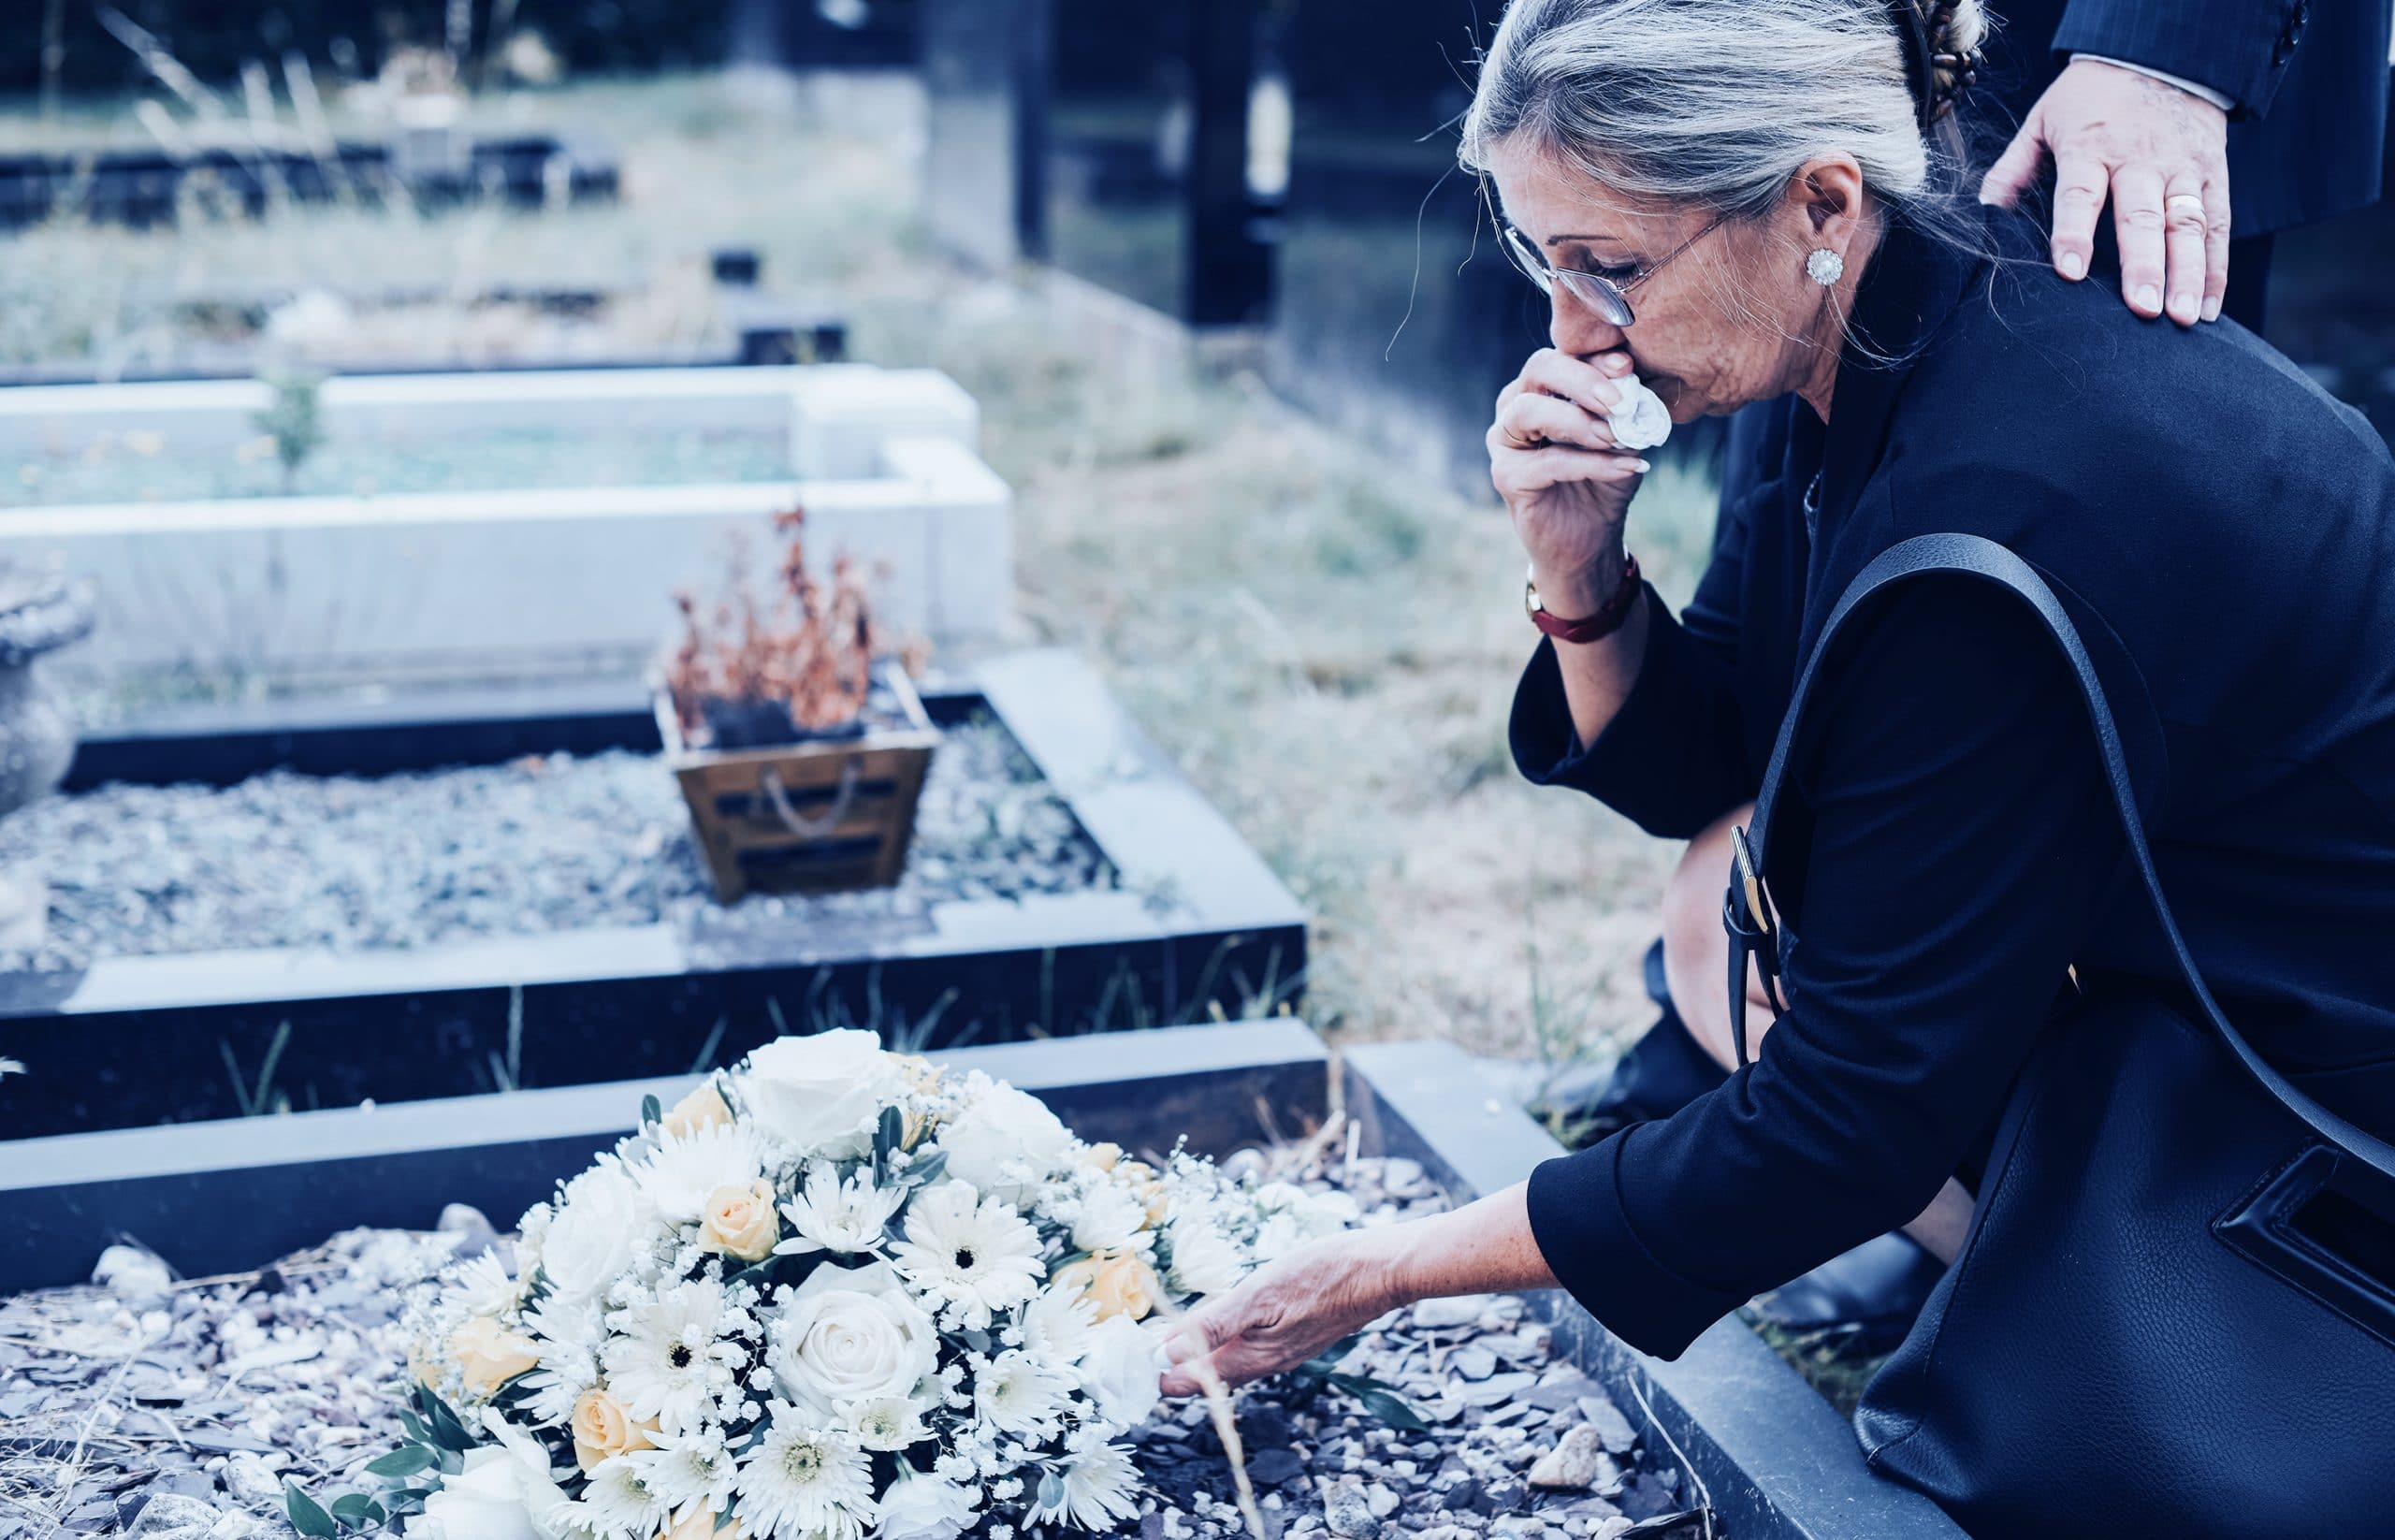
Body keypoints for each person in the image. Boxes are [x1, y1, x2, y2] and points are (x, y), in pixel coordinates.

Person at [1159, 0, 2395, 1518]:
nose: (1572, 333)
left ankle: (2158, 1314)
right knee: (1722, 921)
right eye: (1548, 264)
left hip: (2322, 1124)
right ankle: (2010, 1243)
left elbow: (1845, 1118)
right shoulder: (1856, 329)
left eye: (1611, 268)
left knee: (1786, 987)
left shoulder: (2003, 494)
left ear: (1818, 196)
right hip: (2179, 987)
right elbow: (1706, 763)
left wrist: (1383, 1269)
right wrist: (1580, 570)